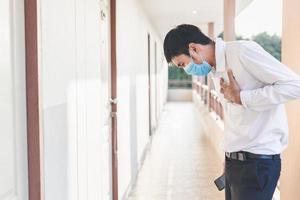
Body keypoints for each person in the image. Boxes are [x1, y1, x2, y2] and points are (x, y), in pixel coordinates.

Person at [163, 24, 300, 200]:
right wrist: (229, 154)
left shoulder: (241, 52)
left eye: (183, 64)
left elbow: (295, 86)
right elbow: (235, 117)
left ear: (193, 48)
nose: (187, 70)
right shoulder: (215, 70)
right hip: (235, 162)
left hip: (258, 163)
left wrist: (242, 97)